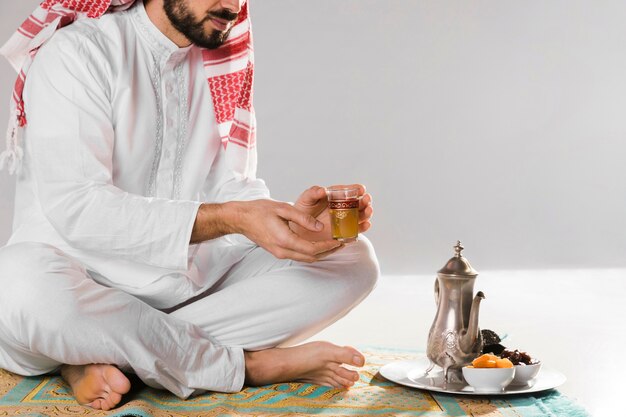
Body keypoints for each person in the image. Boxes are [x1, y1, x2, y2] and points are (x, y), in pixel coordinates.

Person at [0, 0, 378, 411]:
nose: (232, 6)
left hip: (182, 287)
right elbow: (79, 209)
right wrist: (236, 218)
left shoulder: (221, 62)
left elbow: (232, 187)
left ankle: (94, 356)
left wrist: (291, 222)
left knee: (353, 261)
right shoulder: (78, 53)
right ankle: (245, 367)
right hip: (78, 283)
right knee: (21, 291)